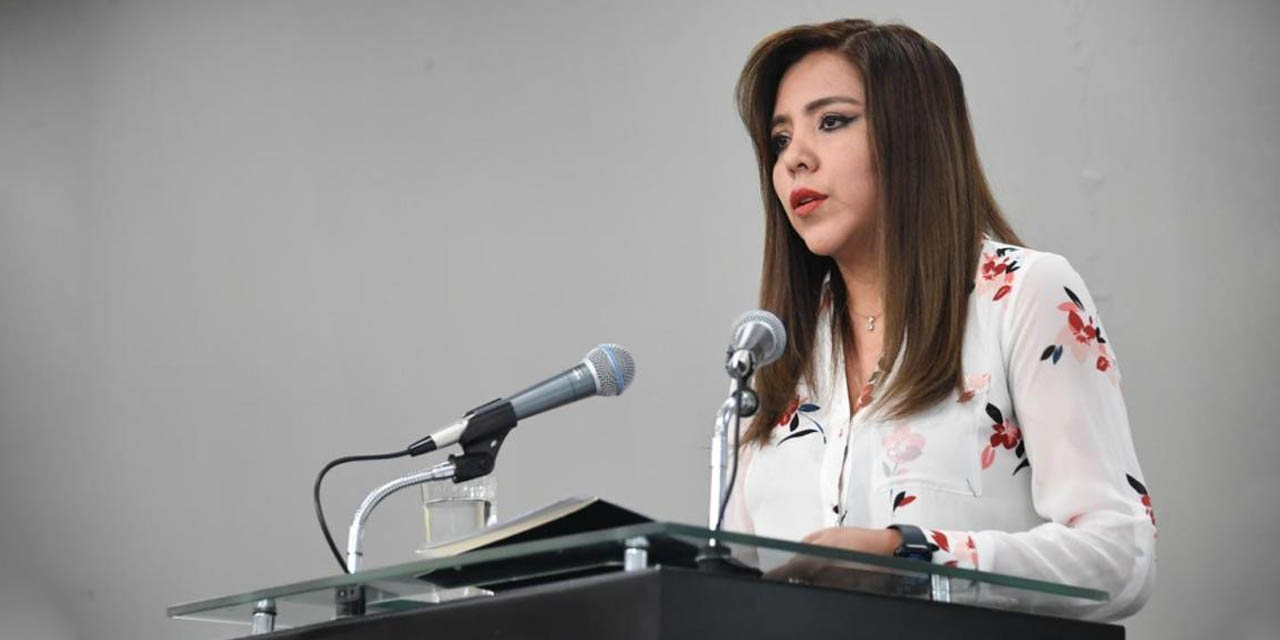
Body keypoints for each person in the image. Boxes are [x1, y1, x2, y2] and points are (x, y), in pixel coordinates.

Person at [722, 19, 1155, 621]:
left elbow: (1120, 556)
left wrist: (912, 559)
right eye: (779, 140)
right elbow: (728, 595)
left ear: (914, 134)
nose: (795, 158)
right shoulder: (772, 355)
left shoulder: (1022, 296)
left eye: (832, 121)